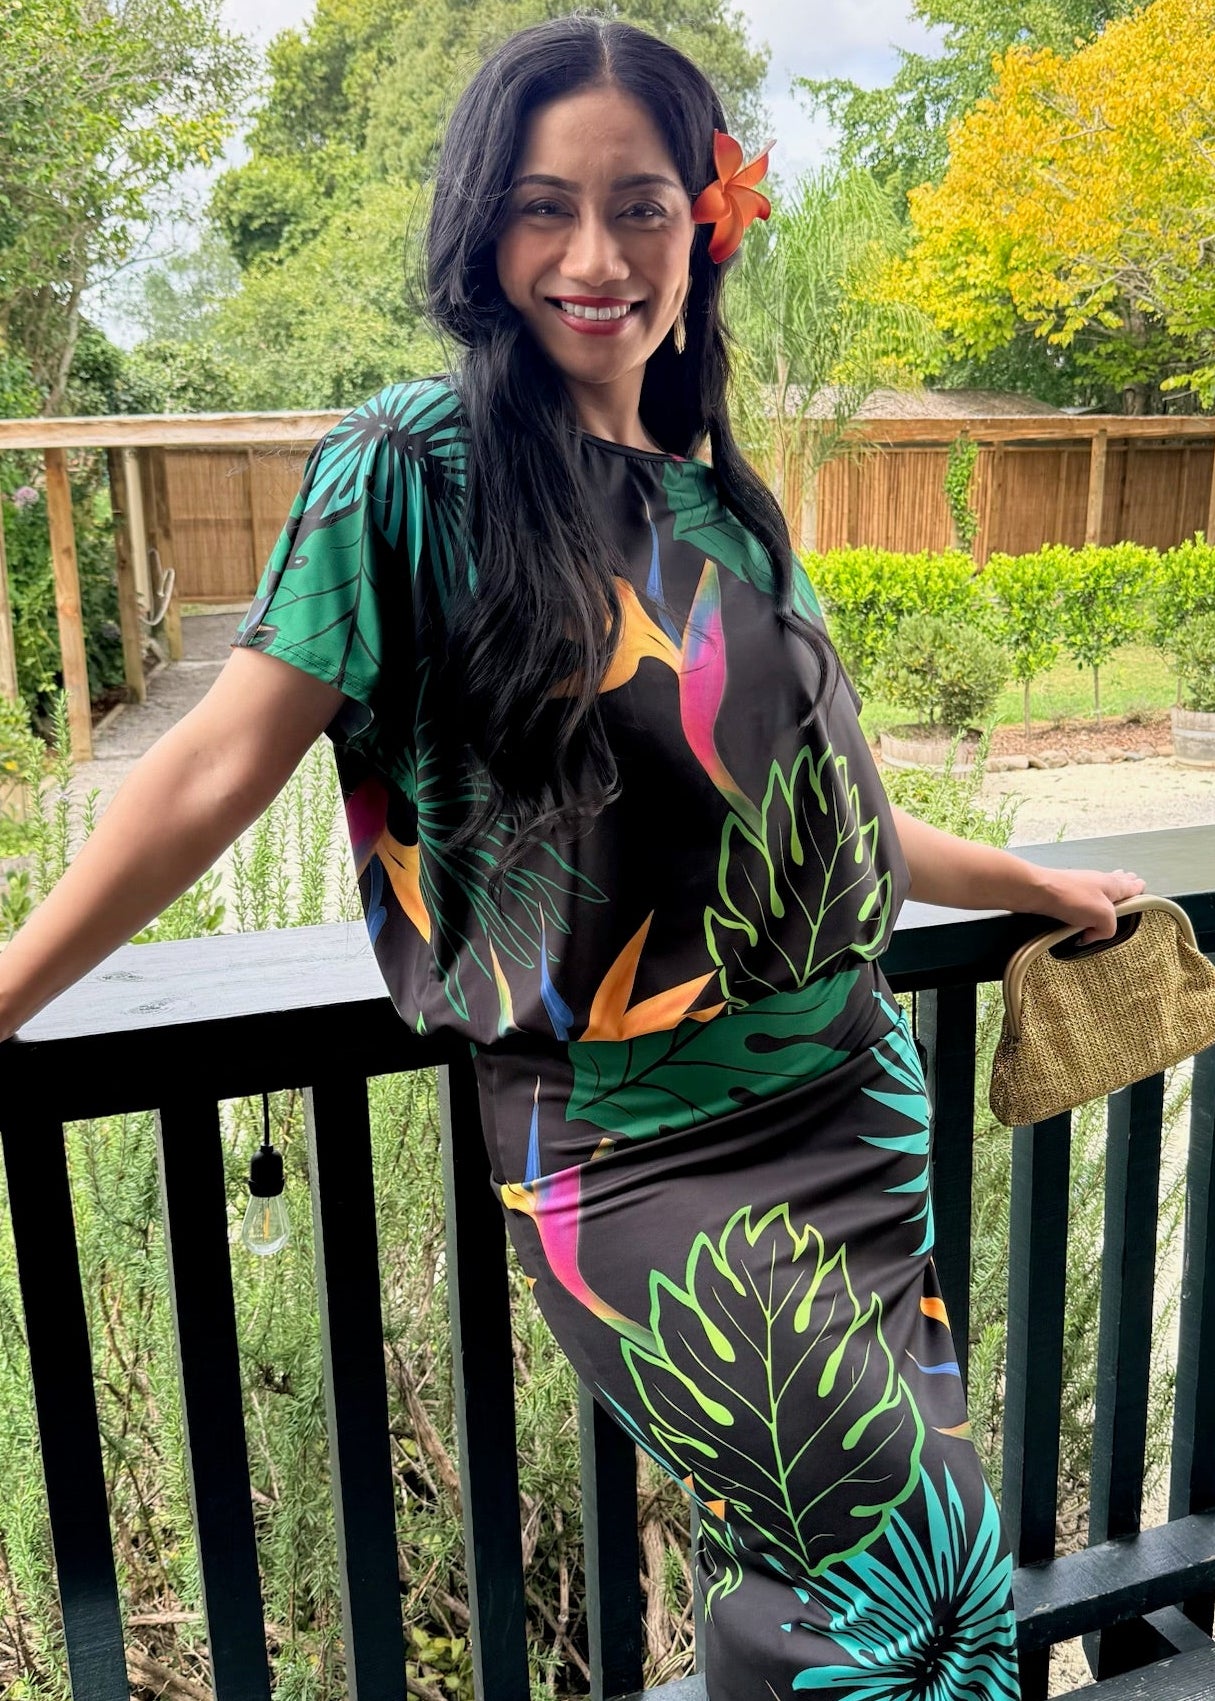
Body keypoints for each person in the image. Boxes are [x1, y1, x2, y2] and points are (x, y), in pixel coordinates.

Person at [0, 16, 1144, 1697]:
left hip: (852, 1104)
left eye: (641, 208)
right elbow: (207, 769)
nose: (595, 256)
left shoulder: (718, 506)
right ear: (483, 230)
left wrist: (1030, 882)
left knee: (916, 1585)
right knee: (904, 1576)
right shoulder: (409, 471)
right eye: (545, 208)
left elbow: (816, 822)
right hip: (638, 1154)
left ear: (705, 226)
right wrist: (10, 985)